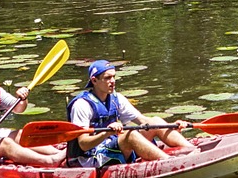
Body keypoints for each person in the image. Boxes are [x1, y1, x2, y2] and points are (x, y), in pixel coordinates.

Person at [66, 60, 195, 167]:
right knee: (130, 135)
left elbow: (144, 122)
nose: (113, 81)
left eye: (114, 77)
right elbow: (83, 144)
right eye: (108, 78)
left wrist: (171, 126)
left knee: (155, 121)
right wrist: (107, 133)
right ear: (94, 81)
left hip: (112, 145)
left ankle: (194, 151)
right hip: (90, 157)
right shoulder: (82, 105)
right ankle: (170, 163)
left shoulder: (117, 98)